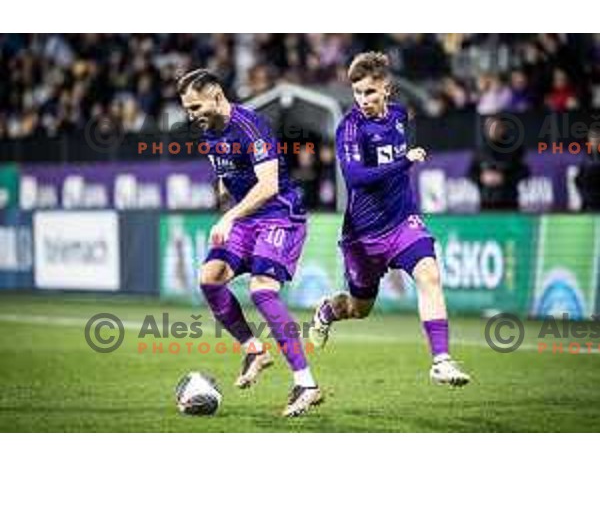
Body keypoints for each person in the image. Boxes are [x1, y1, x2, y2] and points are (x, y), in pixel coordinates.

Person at [308, 52, 470, 386]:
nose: (363, 100)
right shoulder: (349, 128)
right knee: (359, 309)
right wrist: (404, 163)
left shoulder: (399, 114)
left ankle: (441, 360)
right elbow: (355, 178)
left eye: (369, 92)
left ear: (386, 89)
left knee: (429, 275)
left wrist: (403, 166)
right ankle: (327, 310)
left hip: (402, 221)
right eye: (357, 93)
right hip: (363, 234)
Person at [177, 68, 321, 417]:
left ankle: (306, 384)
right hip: (245, 219)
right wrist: (225, 200)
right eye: (186, 108)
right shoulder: (209, 132)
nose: (190, 114)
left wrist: (229, 217)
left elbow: (269, 184)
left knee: (262, 291)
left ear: (216, 96)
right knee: (209, 278)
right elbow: (227, 178)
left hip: (280, 214)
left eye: (195, 106)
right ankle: (255, 349)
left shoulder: (251, 126)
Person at [469, 116, 530, 210]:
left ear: (502, 128)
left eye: (495, 127)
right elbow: (471, 173)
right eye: (489, 127)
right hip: (486, 202)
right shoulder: (480, 150)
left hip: (509, 202)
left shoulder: (514, 149)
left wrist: (503, 178)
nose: (492, 130)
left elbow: (524, 172)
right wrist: (482, 178)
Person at [575, 125, 600, 210]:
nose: (595, 141)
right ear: (589, 139)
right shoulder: (585, 157)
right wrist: (584, 196)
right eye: (592, 138)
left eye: (597, 138)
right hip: (588, 200)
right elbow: (578, 180)